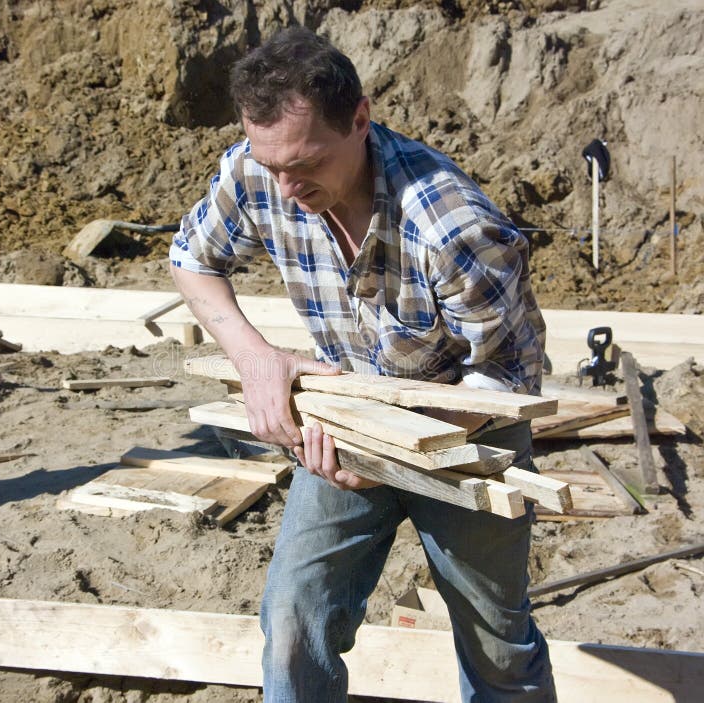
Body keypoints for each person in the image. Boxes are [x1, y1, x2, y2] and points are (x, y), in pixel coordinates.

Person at [170, 26, 556, 703]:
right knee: (292, 621)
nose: (286, 187)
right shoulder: (256, 172)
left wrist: (395, 443)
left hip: (470, 440)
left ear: (360, 119)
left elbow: (507, 381)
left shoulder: (454, 228)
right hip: (341, 428)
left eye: (305, 163)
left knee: (498, 646)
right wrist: (257, 358)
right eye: (272, 165)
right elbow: (192, 258)